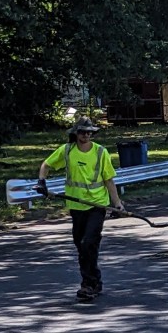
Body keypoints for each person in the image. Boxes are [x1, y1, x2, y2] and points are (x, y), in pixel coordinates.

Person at [35, 116, 124, 300]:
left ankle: (87, 284)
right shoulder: (67, 151)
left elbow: (109, 179)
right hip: (76, 206)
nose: (86, 135)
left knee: (87, 243)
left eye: (89, 132)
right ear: (76, 133)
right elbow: (46, 165)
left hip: (97, 205)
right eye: (82, 132)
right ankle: (95, 280)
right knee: (81, 245)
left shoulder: (100, 152)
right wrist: (42, 183)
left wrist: (117, 204)